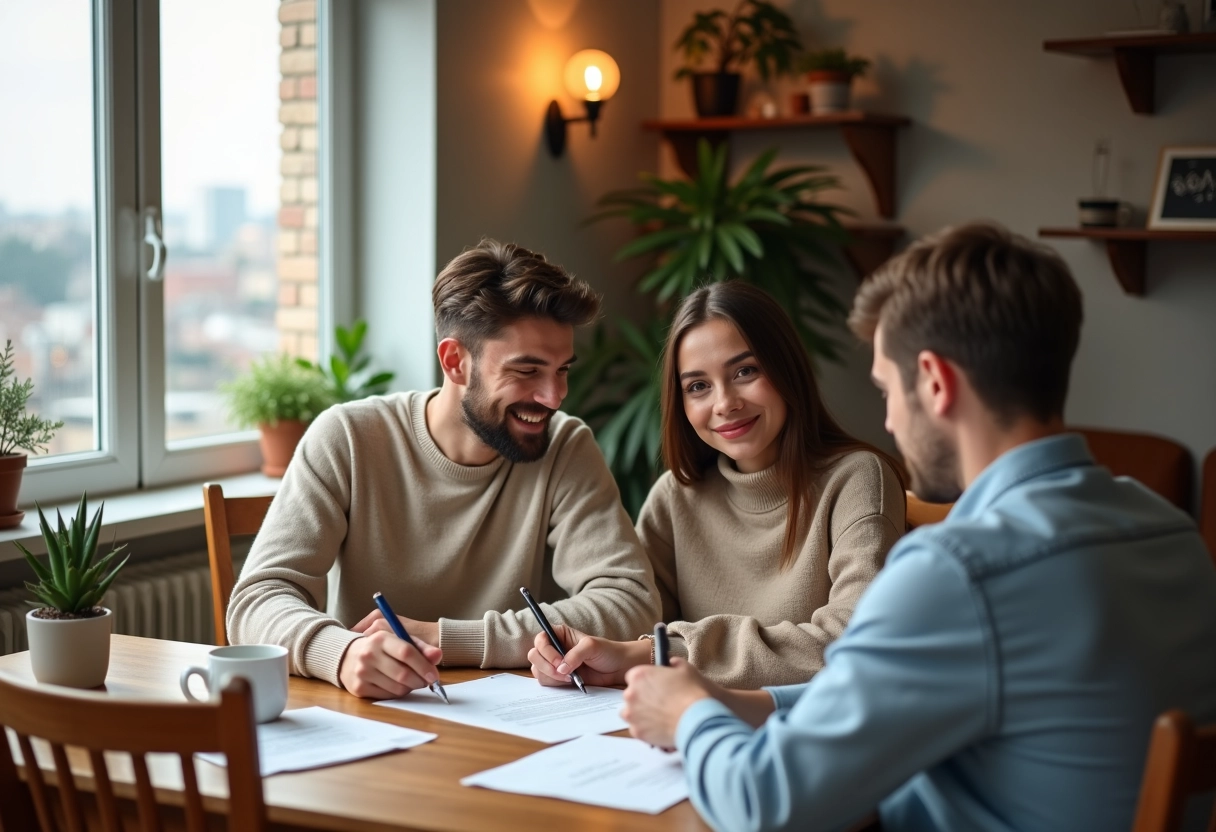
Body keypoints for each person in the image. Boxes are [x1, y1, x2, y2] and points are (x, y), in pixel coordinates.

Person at [618, 222, 1216, 832]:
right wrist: (742, 701)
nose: (889, 419)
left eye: (886, 389)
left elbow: (763, 805)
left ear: (934, 382)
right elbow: (874, 692)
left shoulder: (956, 573)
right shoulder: (1172, 532)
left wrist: (690, 713)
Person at [227, 239, 660, 699]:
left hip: (513, 726)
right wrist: (343, 652)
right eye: (527, 371)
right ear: (455, 361)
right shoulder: (349, 438)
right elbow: (256, 602)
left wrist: (446, 637)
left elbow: (630, 603)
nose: (554, 397)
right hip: (371, 718)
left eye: (562, 370)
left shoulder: (565, 447)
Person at [527, 281, 905, 690]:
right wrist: (576, 650)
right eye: (698, 386)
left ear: (786, 369)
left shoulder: (857, 479)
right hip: (681, 730)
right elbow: (636, 625)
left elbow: (851, 640)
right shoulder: (675, 497)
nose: (725, 403)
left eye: (745, 371)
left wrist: (667, 652)